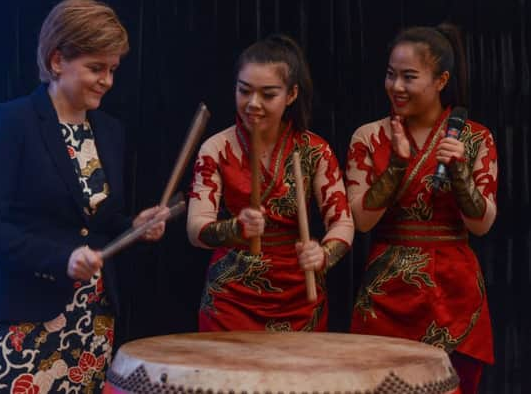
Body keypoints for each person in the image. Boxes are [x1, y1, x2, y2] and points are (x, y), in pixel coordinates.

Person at [0, 0, 168, 393]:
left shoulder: (109, 130)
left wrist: (134, 227)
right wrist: (61, 258)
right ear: (57, 61)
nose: (107, 81)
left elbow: (100, 225)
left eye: (112, 69)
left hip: (94, 319)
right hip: (26, 321)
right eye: (96, 68)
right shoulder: (12, 121)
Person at [346, 23, 497, 394]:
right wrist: (396, 165)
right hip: (387, 291)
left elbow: (482, 225)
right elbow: (362, 221)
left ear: (441, 80)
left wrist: (460, 171)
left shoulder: (475, 137)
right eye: (390, 75)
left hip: (453, 291)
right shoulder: (369, 136)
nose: (396, 86)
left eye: (409, 77)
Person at [187, 34, 354, 332]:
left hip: (299, 293)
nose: (253, 104)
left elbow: (343, 223)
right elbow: (195, 230)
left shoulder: (314, 150)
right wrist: (236, 229)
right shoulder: (216, 148)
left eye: (268, 94)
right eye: (244, 91)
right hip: (231, 297)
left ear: (291, 95)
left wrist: (323, 254)